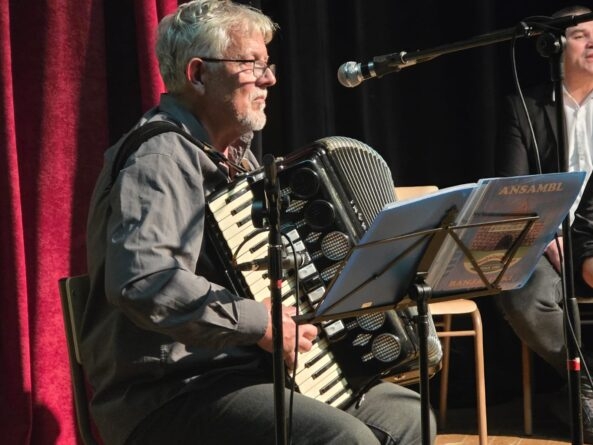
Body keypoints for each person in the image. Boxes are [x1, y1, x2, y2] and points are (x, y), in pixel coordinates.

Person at [83, 1, 433, 444]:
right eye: (251, 65)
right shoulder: (160, 159)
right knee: (344, 440)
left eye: (267, 65)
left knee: (409, 418)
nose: (269, 79)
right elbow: (144, 281)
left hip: (246, 372)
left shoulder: (237, 160)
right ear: (198, 74)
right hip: (170, 392)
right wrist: (261, 323)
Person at [495, 5, 593, 441]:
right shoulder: (524, 107)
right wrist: (547, 234)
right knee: (522, 294)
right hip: (544, 237)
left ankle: (581, 396)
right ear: (555, 47)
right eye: (581, 35)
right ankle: (586, 385)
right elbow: (513, 189)